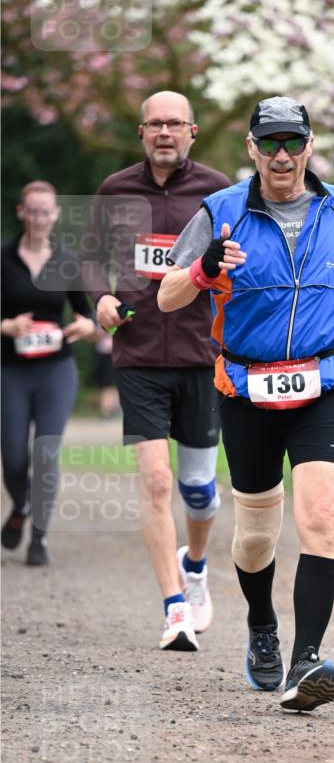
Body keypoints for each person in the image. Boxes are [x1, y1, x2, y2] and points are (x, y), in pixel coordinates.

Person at [159, 95, 334, 711]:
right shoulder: (221, 211)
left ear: (310, 145)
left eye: (294, 142)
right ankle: (262, 625)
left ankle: (306, 662)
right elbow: (169, 299)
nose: (282, 155)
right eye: (270, 144)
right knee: (257, 532)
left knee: (320, 516)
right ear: (252, 149)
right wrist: (205, 269)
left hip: (321, 383)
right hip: (248, 387)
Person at [81, 91, 230, 652]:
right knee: (157, 481)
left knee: (198, 491)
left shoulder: (219, 191)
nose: (164, 132)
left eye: (175, 123)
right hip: (139, 354)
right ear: (141, 132)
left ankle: (194, 563)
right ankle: (174, 609)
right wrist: (98, 298)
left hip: (200, 354)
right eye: (154, 124)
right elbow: (91, 254)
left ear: (192, 131)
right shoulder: (116, 189)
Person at [1, 180, 102, 566]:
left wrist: (85, 327)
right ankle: (22, 505)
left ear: (56, 215)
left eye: (46, 212)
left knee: (46, 452)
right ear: (21, 212)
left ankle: (39, 538)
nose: (39, 218)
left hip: (55, 371)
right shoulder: (3, 258)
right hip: (9, 369)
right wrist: (6, 327)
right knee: (12, 458)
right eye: (33, 211)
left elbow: (89, 314)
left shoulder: (66, 261)